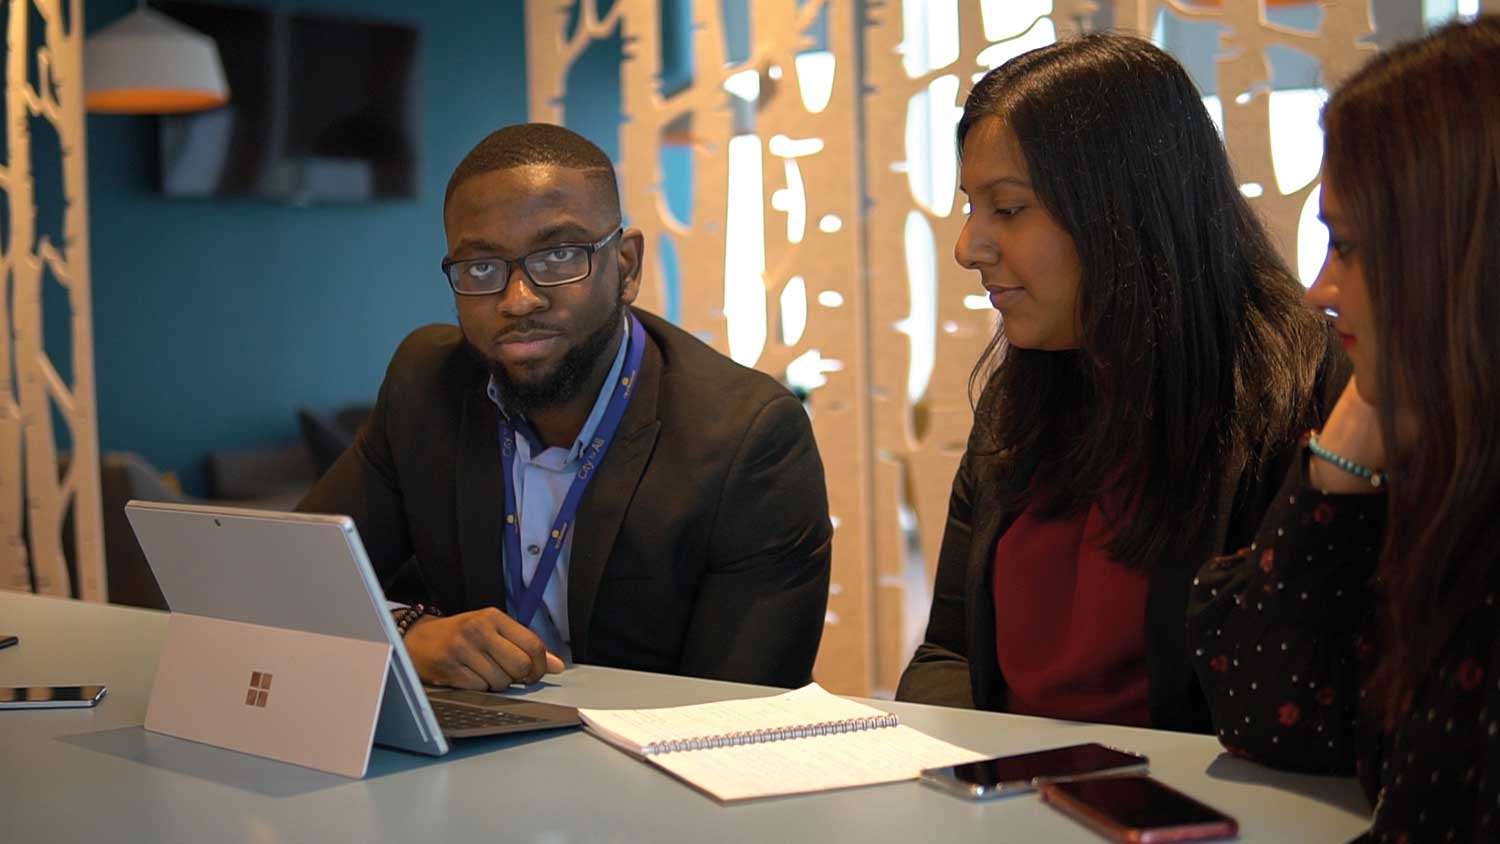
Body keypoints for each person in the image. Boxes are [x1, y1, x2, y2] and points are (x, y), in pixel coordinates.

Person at [895, 34, 1345, 731]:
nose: (967, 247)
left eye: (1008, 209)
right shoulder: (1023, 397)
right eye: (970, 207)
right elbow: (948, 652)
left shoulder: (1296, 401)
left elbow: (1297, 701)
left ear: (1124, 212)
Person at [299, 123, 832, 690]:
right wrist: (404, 632)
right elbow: (290, 579)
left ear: (626, 267)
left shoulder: (747, 438)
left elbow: (739, 709)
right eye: (481, 268)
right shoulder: (425, 384)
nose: (518, 299)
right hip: (468, 756)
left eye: (557, 256)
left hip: (653, 766)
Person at [1188, 17, 1500, 840]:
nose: (1321, 289)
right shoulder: (1440, 464)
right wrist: (1341, 460)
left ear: (1459, 250)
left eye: (1350, 247)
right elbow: (1274, 713)